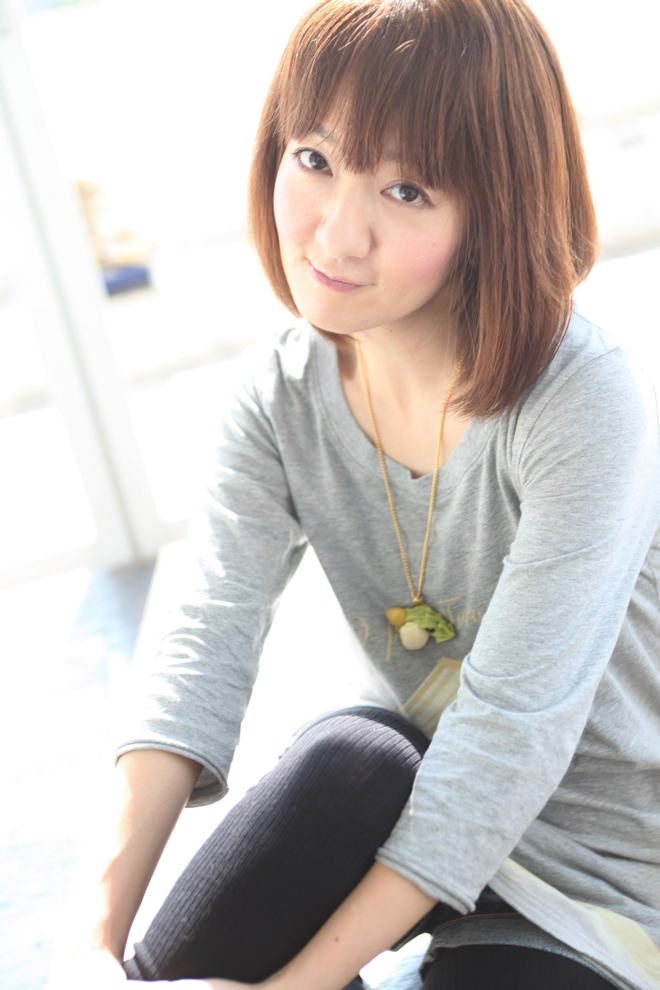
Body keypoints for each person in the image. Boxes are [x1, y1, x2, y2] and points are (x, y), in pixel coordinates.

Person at [52, 1, 660, 989]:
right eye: (315, 160)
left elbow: (507, 742)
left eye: (407, 190)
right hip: (403, 804)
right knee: (352, 758)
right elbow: (199, 646)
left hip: (597, 874)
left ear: (497, 209)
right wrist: (87, 948)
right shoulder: (281, 393)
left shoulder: (580, 403)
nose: (338, 235)